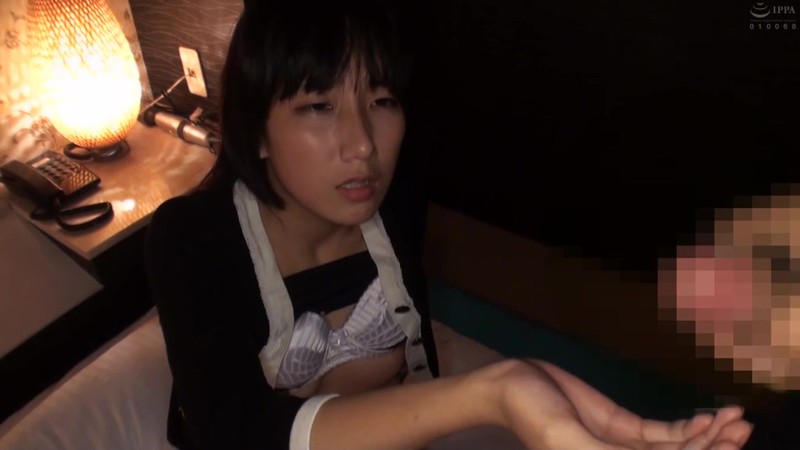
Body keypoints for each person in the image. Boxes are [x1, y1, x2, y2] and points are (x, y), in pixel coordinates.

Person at [144, 1, 754, 449]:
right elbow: (235, 432)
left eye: (382, 100)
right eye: (319, 106)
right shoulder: (192, 238)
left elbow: (414, 382)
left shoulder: (396, 202)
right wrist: (494, 392)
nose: (363, 145)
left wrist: (556, 394)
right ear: (255, 130)